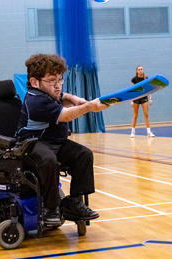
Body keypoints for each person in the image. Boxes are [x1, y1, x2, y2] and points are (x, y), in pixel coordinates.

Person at [16, 54, 108, 225]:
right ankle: (50, 208)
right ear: (35, 82)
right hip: (31, 145)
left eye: (60, 79)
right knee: (49, 160)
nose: (58, 85)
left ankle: (73, 202)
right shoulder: (35, 101)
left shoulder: (49, 92)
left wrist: (75, 99)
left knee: (84, 155)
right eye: (52, 81)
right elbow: (65, 116)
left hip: (55, 143)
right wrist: (89, 106)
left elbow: (62, 96)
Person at [130, 65, 155, 138]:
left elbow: (149, 89)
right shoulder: (134, 79)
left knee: (146, 115)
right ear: (137, 71)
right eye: (139, 69)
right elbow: (131, 91)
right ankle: (132, 132)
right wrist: (131, 101)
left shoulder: (146, 78)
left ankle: (149, 132)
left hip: (144, 98)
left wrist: (150, 98)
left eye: (141, 69)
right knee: (135, 115)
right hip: (136, 98)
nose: (141, 70)